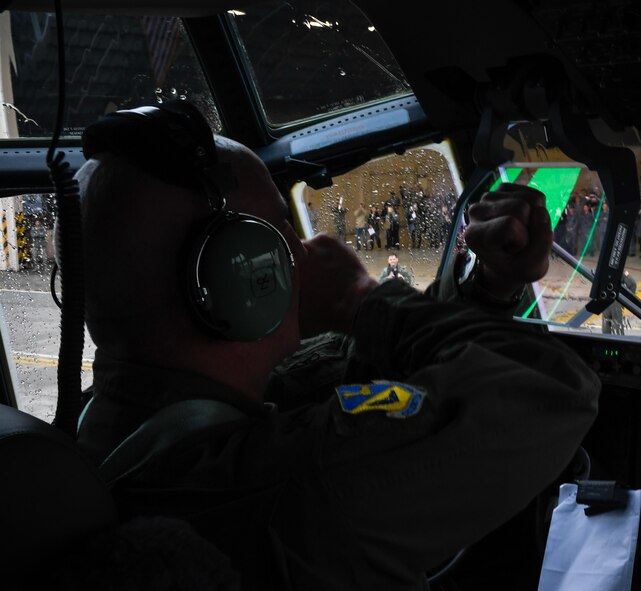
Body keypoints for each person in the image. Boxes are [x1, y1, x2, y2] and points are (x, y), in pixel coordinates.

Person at [74, 104, 599, 591]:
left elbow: (342, 385)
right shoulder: (294, 486)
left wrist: (485, 289)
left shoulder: (119, 436)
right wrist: (360, 299)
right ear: (241, 273)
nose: (306, 249)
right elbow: (549, 389)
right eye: (281, 229)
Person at [601, 269, 636, 335]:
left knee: (612, 328)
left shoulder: (606, 270)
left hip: (610, 302)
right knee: (610, 328)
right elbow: (632, 283)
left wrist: (626, 300)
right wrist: (626, 300)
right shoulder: (619, 271)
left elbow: (632, 283)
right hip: (612, 302)